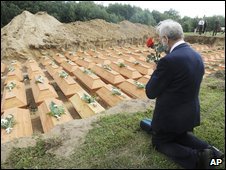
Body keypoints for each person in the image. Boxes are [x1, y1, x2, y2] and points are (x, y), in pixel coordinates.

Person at [145, 19, 224, 169]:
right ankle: (215, 155)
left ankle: (199, 159)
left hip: (170, 119)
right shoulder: (197, 56)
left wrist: (155, 71)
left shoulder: (169, 61)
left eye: (161, 39)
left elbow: (150, 92)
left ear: (166, 39)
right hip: (189, 116)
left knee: (160, 142)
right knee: (181, 137)